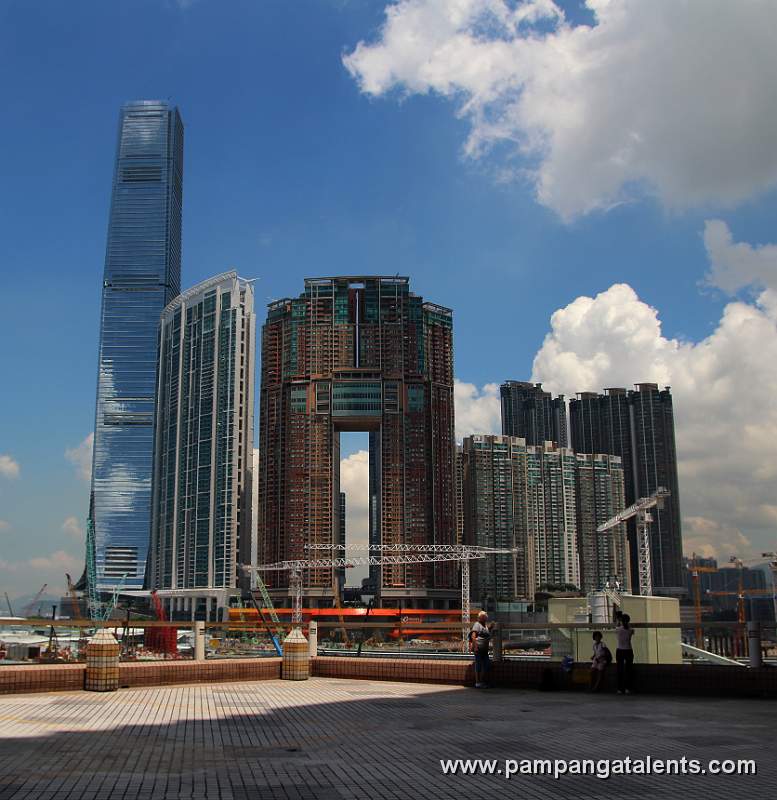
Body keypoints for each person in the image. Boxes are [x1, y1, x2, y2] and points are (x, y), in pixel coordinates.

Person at [470, 611, 494, 688]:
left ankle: (482, 681)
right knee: (479, 665)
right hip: (479, 649)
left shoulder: (485, 625)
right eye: (483, 617)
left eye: (485, 617)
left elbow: (485, 633)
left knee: (486, 665)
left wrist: (491, 627)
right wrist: (475, 647)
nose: (484, 618)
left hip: (484, 649)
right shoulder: (477, 625)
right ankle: (478, 682)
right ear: (479, 618)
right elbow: (473, 636)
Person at [615, 612, 635, 694]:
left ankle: (620, 688)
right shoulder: (631, 630)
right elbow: (630, 629)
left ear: (621, 621)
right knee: (628, 670)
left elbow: (617, 626)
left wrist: (618, 621)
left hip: (620, 650)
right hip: (628, 650)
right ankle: (628, 688)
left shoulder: (618, 629)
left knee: (620, 670)